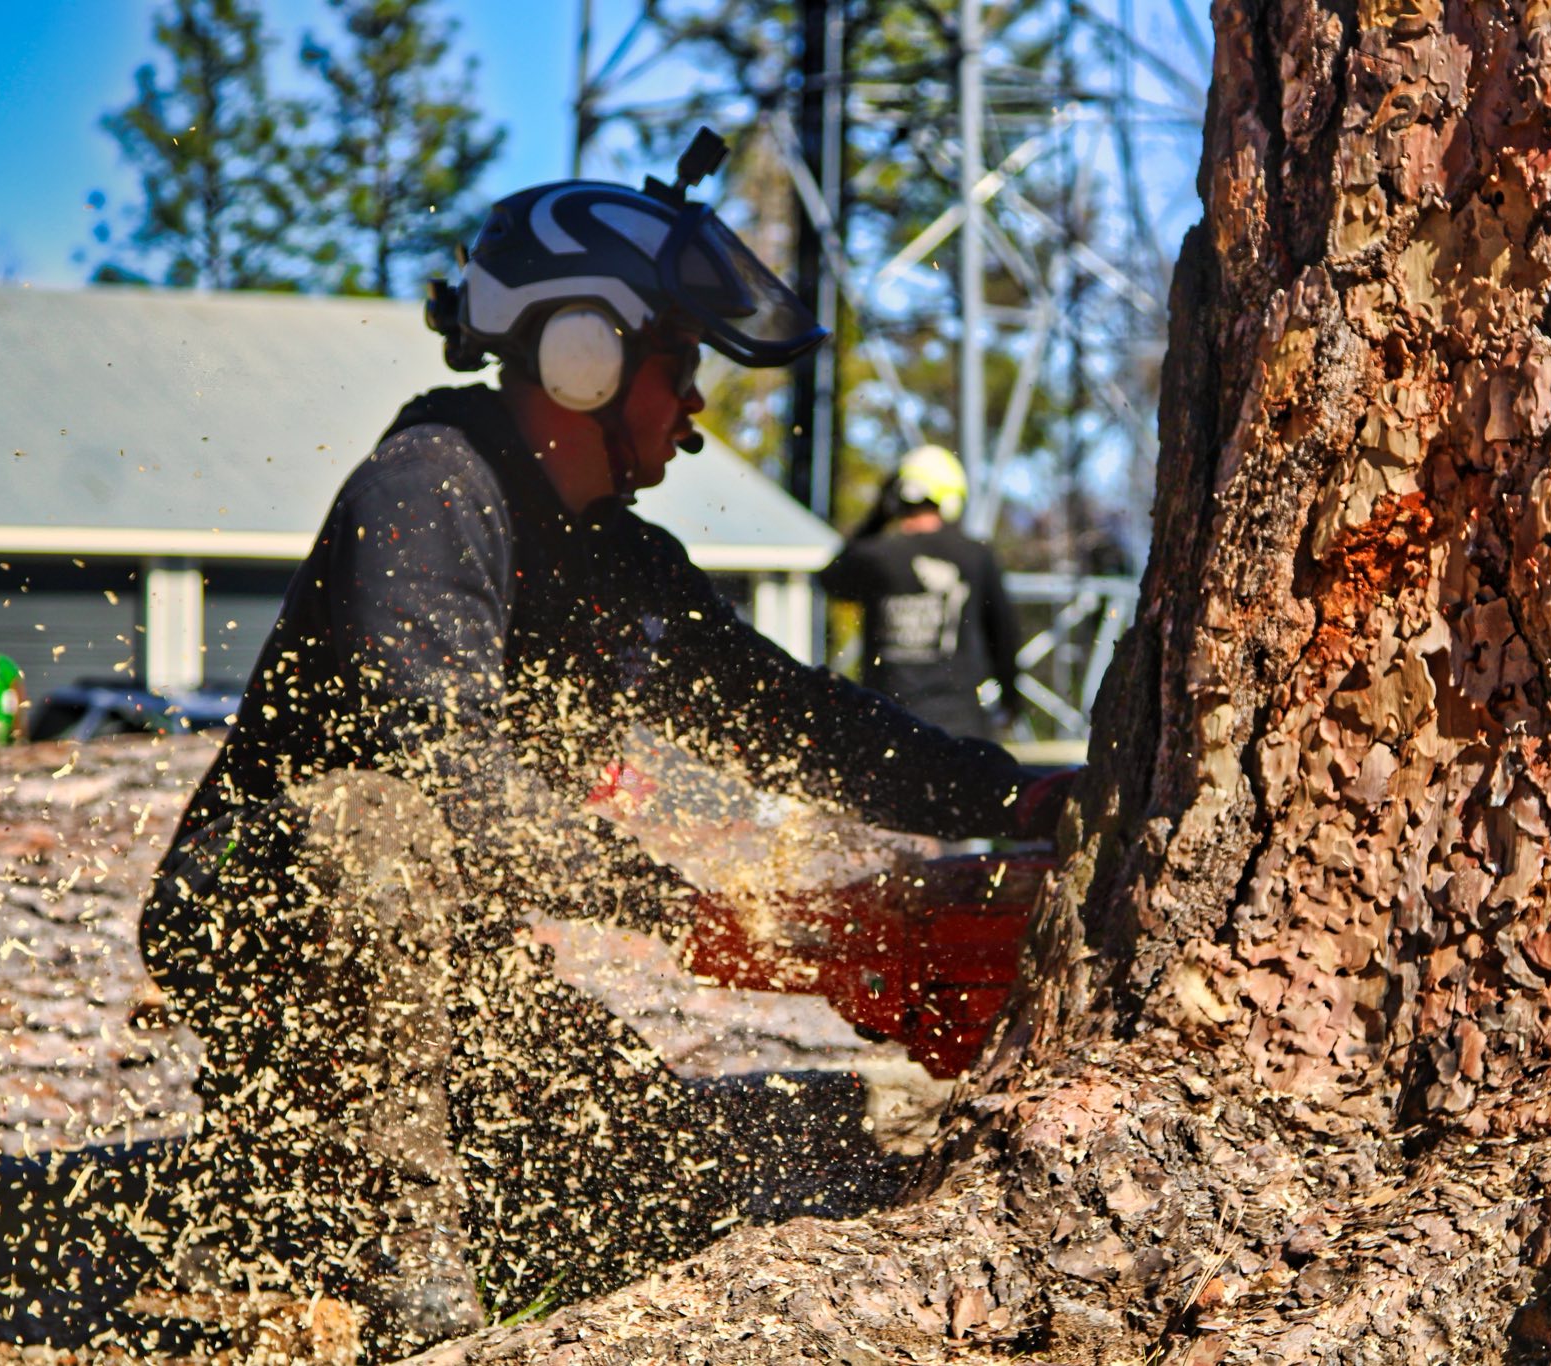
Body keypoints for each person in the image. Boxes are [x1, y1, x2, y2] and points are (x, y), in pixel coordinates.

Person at [138, 134, 1069, 1359]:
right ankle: (410, 1283)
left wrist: (1022, 796)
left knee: (653, 1181)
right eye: (678, 364)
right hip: (264, 911)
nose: (693, 405)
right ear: (583, 354)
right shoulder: (427, 488)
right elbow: (439, 769)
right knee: (381, 824)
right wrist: (682, 910)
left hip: (441, 960)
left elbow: (802, 723)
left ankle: (315, 1179)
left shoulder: (622, 564)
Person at [818, 445, 1022, 742]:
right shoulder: (974, 555)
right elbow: (1004, 635)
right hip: (960, 729)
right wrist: (1011, 700)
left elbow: (829, 580)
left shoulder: (876, 555)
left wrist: (876, 517)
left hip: (887, 725)